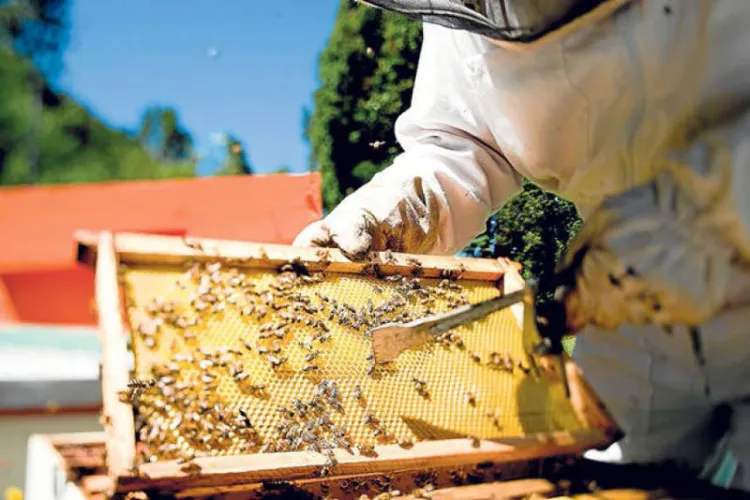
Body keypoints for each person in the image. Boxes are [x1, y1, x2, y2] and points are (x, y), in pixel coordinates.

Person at [294, 0, 750, 492]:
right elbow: (463, 141)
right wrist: (398, 209)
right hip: (625, 302)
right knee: (606, 476)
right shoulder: (459, 20)